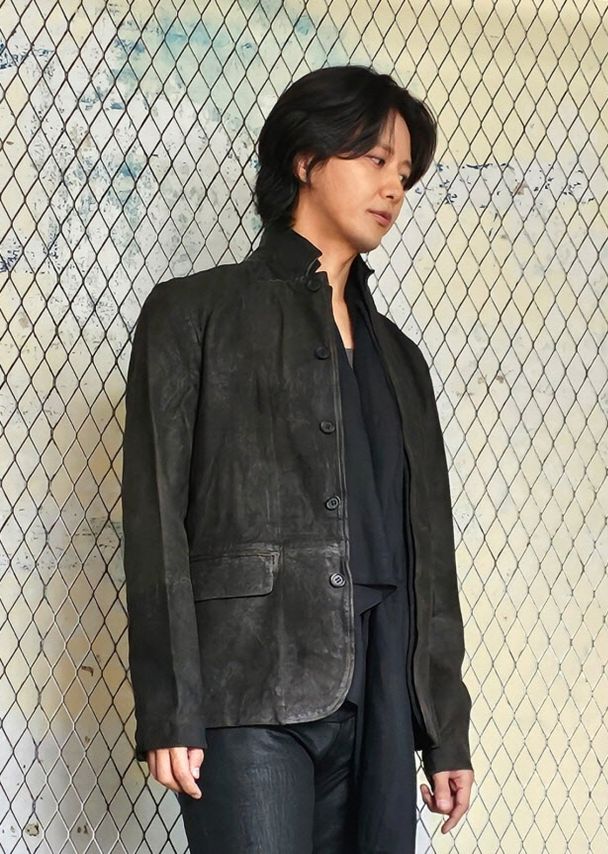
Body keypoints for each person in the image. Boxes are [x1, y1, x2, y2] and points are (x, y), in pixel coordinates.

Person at [121, 64, 474, 853]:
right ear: (307, 159)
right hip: (250, 685)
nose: (394, 187)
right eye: (375, 159)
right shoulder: (193, 313)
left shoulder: (401, 359)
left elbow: (429, 552)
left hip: (383, 691)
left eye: (405, 171)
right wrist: (171, 707)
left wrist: (444, 728)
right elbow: (155, 519)